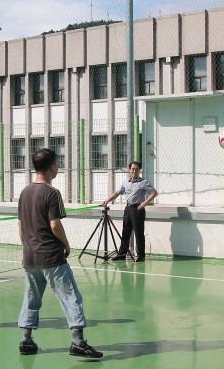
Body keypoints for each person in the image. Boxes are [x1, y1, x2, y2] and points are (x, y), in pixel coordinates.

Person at [18, 148, 103, 358]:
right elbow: (54, 225)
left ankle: (26, 340)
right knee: (71, 296)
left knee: (31, 298)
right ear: (52, 166)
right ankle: (78, 342)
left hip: (30, 257)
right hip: (51, 256)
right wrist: (66, 244)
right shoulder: (52, 193)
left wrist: (26, 247)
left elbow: (20, 225)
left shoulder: (24, 192)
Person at [102, 160, 157, 262]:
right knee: (125, 231)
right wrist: (107, 200)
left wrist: (144, 203)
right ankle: (122, 254)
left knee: (138, 233)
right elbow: (117, 193)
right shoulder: (125, 182)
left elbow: (154, 193)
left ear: (139, 170)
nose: (134, 171)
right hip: (128, 208)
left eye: (136, 169)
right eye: (132, 169)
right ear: (129, 169)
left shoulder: (144, 182)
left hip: (138, 209)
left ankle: (141, 255)